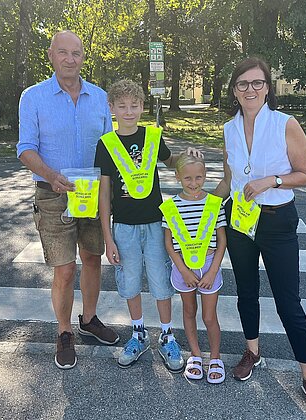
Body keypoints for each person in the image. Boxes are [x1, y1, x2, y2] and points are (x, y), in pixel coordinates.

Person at [214, 57, 306, 415]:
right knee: (246, 292)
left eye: (257, 83)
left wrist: (272, 180)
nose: (250, 89)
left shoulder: (285, 124)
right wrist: (196, 204)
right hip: (240, 221)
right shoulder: (229, 128)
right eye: (242, 84)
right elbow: (228, 180)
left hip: (277, 221)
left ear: (268, 87)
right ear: (234, 90)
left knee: (287, 301)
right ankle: (253, 351)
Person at [17, 30, 119, 370]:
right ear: (51, 55)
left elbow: (110, 150)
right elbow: (25, 149)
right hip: (52, 195)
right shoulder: (32, 97)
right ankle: (64, 332)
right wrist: (49, 174)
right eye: (63, 52)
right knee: (64, 270)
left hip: (92, 195)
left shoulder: (100, 98)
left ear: (82, 56)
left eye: (76, 53)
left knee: (92, 259)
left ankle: (88, 319)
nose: (70, 59)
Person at [94, 79, 202, 372]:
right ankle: (139, 334)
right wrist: (108, 237)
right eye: (122, 106)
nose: (128, 111)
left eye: (134, 105)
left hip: (155, 223)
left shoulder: (152, 138)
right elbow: (104, 194)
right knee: (129, 282)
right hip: (124, 226)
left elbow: (172, 163)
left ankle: (166, 335)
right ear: (112, 108)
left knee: (160, 280)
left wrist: (189, 156)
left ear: (142, 106)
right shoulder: (106, 145)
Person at [160, 154, 227, 384]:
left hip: (209, 266)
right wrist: (184, 270)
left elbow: (221, 241)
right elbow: (168, 243)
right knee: (189, 311)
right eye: (187, 178)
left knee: (209, 316)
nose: (193, 182)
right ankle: (196, 355)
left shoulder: (214, 204)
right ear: (177, 177)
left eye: (199, 177)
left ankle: (215, 357)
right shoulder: (170, 206)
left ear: (205, 176)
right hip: (183, 268)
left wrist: (212, 271)